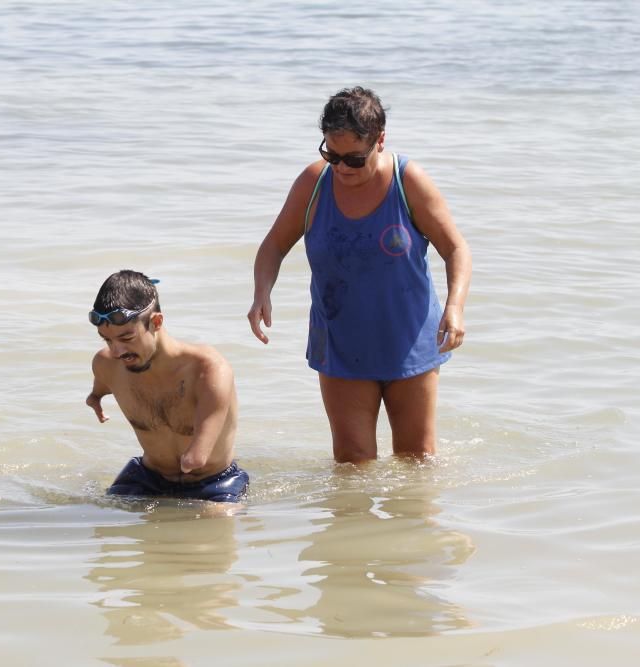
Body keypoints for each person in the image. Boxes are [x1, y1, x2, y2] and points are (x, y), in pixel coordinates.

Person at [248, 86, 471, 464]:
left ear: (380, 140)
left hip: (409, 338)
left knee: (416, 460)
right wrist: (261, 293)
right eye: (330, 155)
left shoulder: (408, 181)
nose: (341, 168)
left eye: (353, 159)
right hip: (339, 340)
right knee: (353, 465)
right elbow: (273, 246)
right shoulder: (313, 184)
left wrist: (455, 307)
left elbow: (456, 249)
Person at [86, 270, 248, 503]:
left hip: (215, 481)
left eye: (127, 338)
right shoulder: (106, 364)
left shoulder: (208, 370)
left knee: (211, 530)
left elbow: (197, 459)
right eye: (107, 339)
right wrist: (95, 398)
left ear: (156, 322)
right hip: (148, 476)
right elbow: (100, 386)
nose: (117, 351)